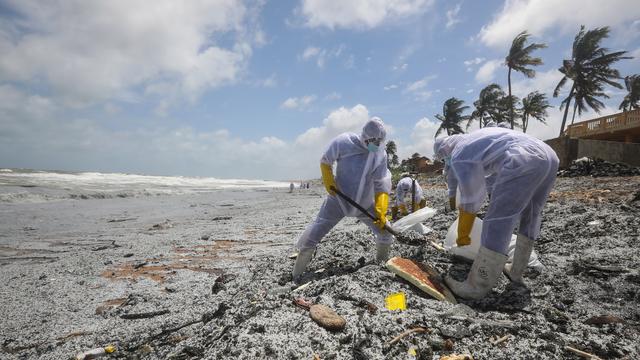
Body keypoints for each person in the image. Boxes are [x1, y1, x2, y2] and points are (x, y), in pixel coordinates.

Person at [433, 126, 559, 299]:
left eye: (442, 158)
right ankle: (516, 271)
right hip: (550, 156)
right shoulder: (476, 141)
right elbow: (492, 179)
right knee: (531, 214)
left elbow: (471, 197)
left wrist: (463, 232)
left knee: (497, 220)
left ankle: (476, 286)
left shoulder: (459, 154)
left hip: (523, 158)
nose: (444, 161)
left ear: (444, 151)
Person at [292, 118, 393, 282]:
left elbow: (381, 183)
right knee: (313, 236)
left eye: (378, 141)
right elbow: (326, 160)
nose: (375, 144)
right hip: (338, 200)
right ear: (364, 136)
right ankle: (296, 275)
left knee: (386, 232)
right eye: (372, 140)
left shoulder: (380, 154)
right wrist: (328, 180)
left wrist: (381, 210)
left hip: (365, 205)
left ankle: (381, 265)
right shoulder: (344, 142)